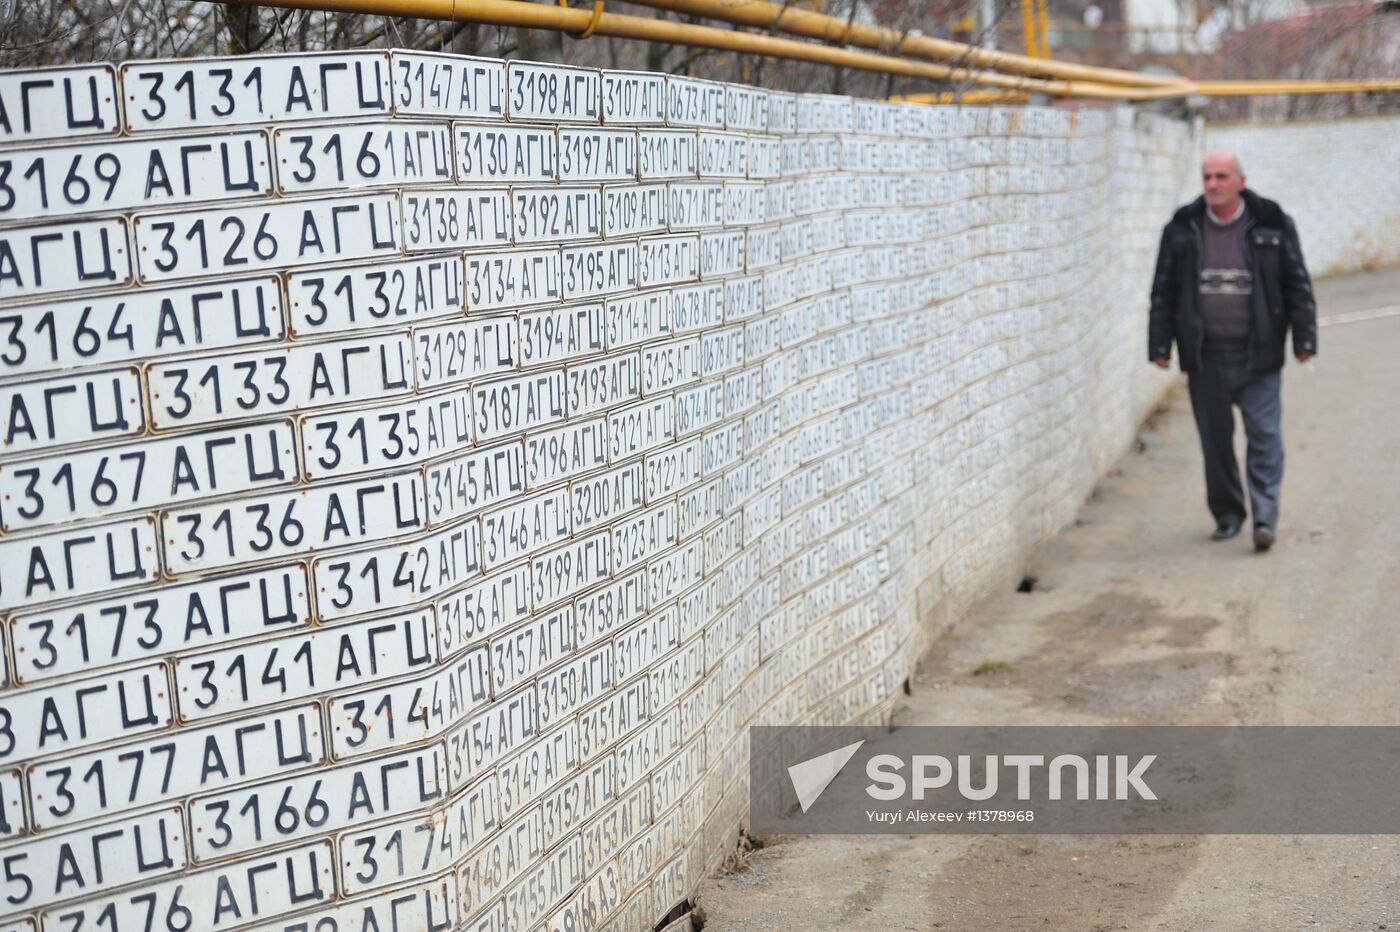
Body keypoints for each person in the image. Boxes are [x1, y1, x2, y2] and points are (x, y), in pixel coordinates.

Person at [1148, 150, 1317, 553]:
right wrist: (1159, 343)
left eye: (1221, 176)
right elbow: (1164, 290)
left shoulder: (1271, 222)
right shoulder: (1183, 227)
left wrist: (1304, 338)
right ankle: (1228, 516)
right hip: (1206, 358)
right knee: (1215, 442)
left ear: (1240, 181)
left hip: (1258, 354)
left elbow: (1297, 283)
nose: (1212, 184)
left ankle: (1264, 517)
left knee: (1264, 436)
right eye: (1207, 177)